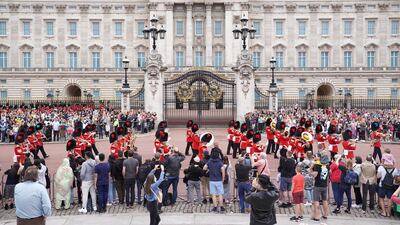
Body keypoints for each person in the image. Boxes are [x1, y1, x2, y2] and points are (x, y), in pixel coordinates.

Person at [311, 153, 330, 221]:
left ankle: (317, 216)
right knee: (324, 200)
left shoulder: (317, 165)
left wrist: (310, 172)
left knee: (316, 201)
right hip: (324, 185)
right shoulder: (327, 166)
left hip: (317, 185)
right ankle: (325, 214)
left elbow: (315, 175)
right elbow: (329, 173)